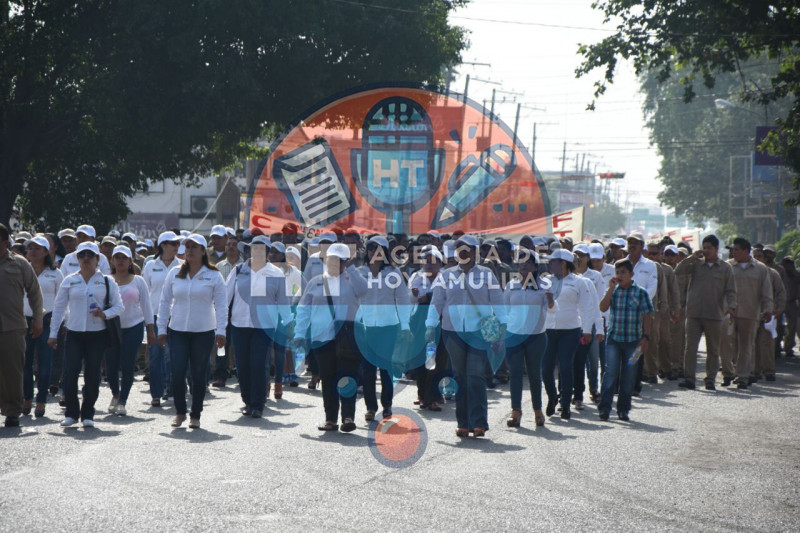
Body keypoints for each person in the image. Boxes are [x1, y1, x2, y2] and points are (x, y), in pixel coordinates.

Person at [426, 235, 507, 437]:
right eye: (459, 248)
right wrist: (430, 325)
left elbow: (498, 302)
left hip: (479, 332)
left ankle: (479, 422)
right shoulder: (445, 275)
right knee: (460, 376)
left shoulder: (487, 275)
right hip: (452, 332)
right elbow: (436, 302)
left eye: (468, 248)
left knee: (475, 374)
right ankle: (463, 422)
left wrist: (503, 329)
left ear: (475, 252)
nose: (463, 251)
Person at [293, 242, 368, 432]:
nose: (334, 263)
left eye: (339, 260)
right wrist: (299, 334)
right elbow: (303, 310)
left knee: (347, 377)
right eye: (331, 259)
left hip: (349, 337)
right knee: (328, 380)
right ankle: (331, 419)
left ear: (345, 262)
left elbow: (364, 290)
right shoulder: (316, 281)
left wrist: (351, 266)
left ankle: (348, 417)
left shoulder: (353, 279)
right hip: (321, 338)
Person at [48, 241, 124, 428]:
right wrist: (53, 334)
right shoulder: (70, 279)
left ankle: (88, 413)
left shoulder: (107, 281)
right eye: (82, 255)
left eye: (90, 255)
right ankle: (71, 413)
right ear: (77, 259)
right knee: (70, 372)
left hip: (97, 334)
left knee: (92, 374)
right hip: (74, 332)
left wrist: (104, 313)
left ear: (98, 259)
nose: (86, 259)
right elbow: (58, 308)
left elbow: (119, 306)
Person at [157, 234, 227, 429]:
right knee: (177, 371)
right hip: (177, 329)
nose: (189, 250)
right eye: (187, 246)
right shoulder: (174, 273)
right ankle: (180, 411)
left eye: (194, 247)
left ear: (203, 251)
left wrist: (221, 331)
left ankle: (195, 414)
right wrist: (162, 329)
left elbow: (221, 305)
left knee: (198, 374)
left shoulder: (214, 275)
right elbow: (164, 303)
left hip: (203, 331)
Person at [227, 236, 292, 418]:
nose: (256, 252)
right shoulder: (238, 270)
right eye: (253, 248)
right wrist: (220, 322)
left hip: (265, 326)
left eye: (261, 249)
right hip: (240, 324)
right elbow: (225, 297)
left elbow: (283, 301)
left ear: (267, 252)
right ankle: (247, 400)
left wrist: (288, 324)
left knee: (258, 364)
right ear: (247, 251)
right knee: (242, 365)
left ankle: (258, 403)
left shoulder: (276, 274)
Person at [356, 236, 413, 421]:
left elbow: (404, 300)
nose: (375, 251)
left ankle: (387, 405)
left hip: (389, 326)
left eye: (380, 248)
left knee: (386, 367)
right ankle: (371, 407)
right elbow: (352, 300)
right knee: (368, 369)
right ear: (367, 251)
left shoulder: (394, 273)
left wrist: (405, 326)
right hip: (365, 327)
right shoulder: (359, 272)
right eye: (372, 247)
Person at [676, 235, 737, 390]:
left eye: (709, 248)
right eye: (704, 247)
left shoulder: (725, 268)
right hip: (694, 313)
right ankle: (689, 378)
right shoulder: (695, 264)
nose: (706, 250)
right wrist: (691, 257)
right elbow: (678, 271)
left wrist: (731, 306)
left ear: (716, 249)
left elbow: (731, 290)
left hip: (715, 314)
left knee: (713, 349)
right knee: (690, 348)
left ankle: (710, 379)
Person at [598, 259, 654, 421]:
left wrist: (646, 337)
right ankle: (604, 408)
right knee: (610, 374)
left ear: (631, 274)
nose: (620, 275)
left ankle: (623, 410)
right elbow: (602, 308)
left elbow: (647, 316)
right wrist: (610, 289)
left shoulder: (641, 292)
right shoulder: (613, 290)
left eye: (623, 272)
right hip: (614, 340)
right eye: (618, 272)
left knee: (629, 376)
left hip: (634, 342)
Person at [542, 249, 595, 420]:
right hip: (548, 330)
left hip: (571, 330)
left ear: (563, 263)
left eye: (553, 261)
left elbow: (587, 308)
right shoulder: (545, 281)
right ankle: (552, 397)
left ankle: (565, 404)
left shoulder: (579, 282)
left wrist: (587, 329)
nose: (550, 264)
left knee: (565, 366)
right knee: (546, 368)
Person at [0, 224, 43, 428]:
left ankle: (13, 411)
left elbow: (34, 292)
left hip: (12, 326)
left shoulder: (19, 264)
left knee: (12, 370)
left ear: (5, 243)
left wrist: (38, 319)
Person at [504, 251, 554, 428]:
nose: (523, 266)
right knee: (515, 374)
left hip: (536, 336)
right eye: (520, 263)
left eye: (527, 263)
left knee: (534, 374)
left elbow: (553, 311)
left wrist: (550, 302)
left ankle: (537, 411)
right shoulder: (511, 285)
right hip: (514, 336)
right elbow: (505, 310)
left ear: (535, 266)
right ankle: (516, 412)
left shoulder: (545, 285)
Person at [107, 245, 155, 416]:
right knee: (111, 367)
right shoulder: (106, 280)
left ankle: (122, 401)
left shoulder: (138, 281)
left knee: (127, 365)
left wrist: (150, 329)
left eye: (124, 258)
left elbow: (146, 306)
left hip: (133, 327)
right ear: (112, 261)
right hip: (111, 329)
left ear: (130, 261)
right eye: (117, 257)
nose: (120, 260)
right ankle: (115, 393)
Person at [721, 237, 772, 389]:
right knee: (725, 343)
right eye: (733, 250)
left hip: (750, 313)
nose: (733, 252)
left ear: (745, 251)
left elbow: (766, 291)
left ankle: (743, 376)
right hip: (728, 313)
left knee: (746, 346)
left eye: (736, 249)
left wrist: (768, 308)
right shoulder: (727, 266)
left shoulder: (760, 269)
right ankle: (728, 372)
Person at [22, 236, 63, 418]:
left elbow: (62, 301)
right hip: (23, 320)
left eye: (37, 248)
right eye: (30, 247)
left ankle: (41, 400)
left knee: (45, 361)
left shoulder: (56, 274)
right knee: (24, 361)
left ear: (46, 252)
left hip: (48, 319)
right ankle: (26, 398)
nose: (32, 251)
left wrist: (61, 323)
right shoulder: (21, 270)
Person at [142, 231, 182, 406]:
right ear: (163, 246)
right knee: (156, 355)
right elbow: (144, 293)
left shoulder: (183, 265)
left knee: (174, 356)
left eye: (177, 244)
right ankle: (156, 393)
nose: (176, 247)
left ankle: (173, 389)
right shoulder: (150, 265)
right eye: (172, 244)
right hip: (156, 316)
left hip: (177, 316)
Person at [407, 245, 448, 411]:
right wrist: (415, 296)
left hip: (440, 321)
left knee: (438, 361)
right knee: (422, 360)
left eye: (433, 261)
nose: (429, 264)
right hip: (420, 321)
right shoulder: (416, 277)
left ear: (440, 263)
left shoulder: (446, 278)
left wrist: (428, 297)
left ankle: (432, 396)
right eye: (426, 261)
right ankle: (423, 394)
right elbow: (408, 298)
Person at [571, 244, 604, 410]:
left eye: (582, 255)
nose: (579, 258)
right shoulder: (567, 277)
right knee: (575, 361)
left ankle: (594, 388)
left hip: (589, 323)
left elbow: (598, 303)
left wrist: (598, 327)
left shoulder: (595, 276)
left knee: (593, 358)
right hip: (572, 324)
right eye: (576, 255)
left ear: (587, 257)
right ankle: (575, 393)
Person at [211, 234, 242, 388]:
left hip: (239, 310)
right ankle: (220, 375)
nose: (230, 247)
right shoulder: (218, 267)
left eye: (234, 245)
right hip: (223, 310)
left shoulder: (244, 267)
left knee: (239, 345)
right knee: (222, 343)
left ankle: (240, 373)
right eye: (228, 244)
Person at [753, 248, 786, 381]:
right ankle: (753, 371)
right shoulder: (749, 273)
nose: (757, 259)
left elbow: (781, 293)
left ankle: (769, 371)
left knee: (766, 344)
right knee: (751, 344)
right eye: (754, 256)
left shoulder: (773, 274)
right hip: (751, 314)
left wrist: (778, 310)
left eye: (759, 256)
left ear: (765, 259)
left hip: (768, 315)